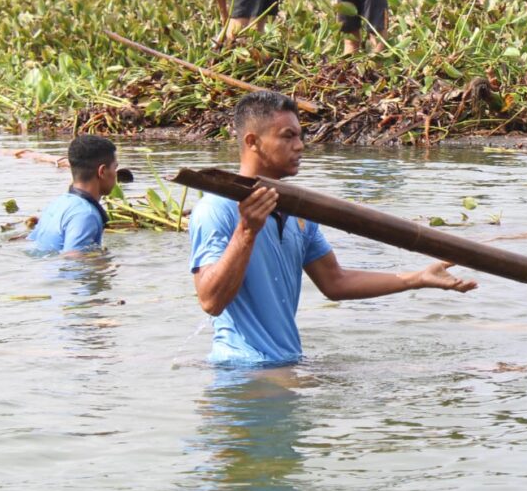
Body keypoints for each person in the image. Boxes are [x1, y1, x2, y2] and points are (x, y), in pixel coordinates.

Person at [189, 90, 476, 366]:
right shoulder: (217, 209)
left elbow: (335, 282)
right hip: (241, 367)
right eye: (288, 136)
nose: (300, 146)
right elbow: (210, 301)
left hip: (286, 361)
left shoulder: (298, 213)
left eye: (300, 136)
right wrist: (247, 231)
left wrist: (419, 278)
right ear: (253, 141)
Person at [28, 135, 132, 254]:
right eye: (115, 168)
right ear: (102, 172)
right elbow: (75, 263)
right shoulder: (86, 214)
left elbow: (32, 240)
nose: (116, 174)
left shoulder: (58, 203)